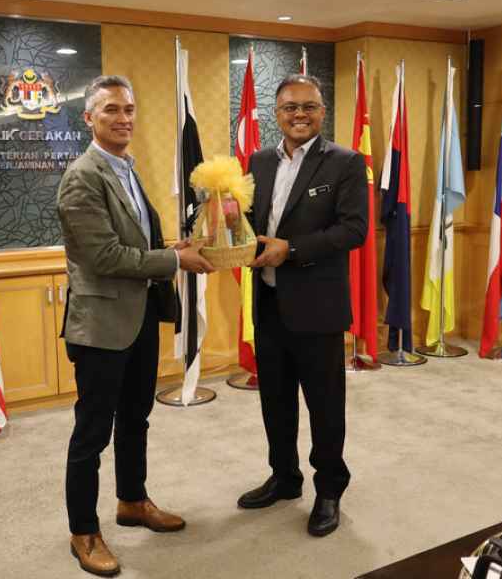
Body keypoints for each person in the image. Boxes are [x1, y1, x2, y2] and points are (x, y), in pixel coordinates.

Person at [57, 74, 214, 577]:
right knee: (92, 433)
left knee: (135, 419)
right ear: (89, 118)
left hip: (140, 317)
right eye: (111, 110)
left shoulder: (126, 168)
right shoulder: (82, 176)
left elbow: (137, 241)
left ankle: (132, 501)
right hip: (101, 325)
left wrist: (174, 248)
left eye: (128, 109)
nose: (123, 118)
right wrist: (175, 260)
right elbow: (103, 256)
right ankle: (83, 532)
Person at [239, 74, 368, 537]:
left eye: (308, 106)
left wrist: (291, 250)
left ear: (322, 112)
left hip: (318, 307)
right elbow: (249, 221)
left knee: (325, 406)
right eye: (290, 107)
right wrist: (226, 225)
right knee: (274, 401)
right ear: (276, 113)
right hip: (269, 302)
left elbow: (354, 230)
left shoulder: (346, 162)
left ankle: (329, 489)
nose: (299, 114)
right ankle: (284, 477)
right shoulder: (257, 161)